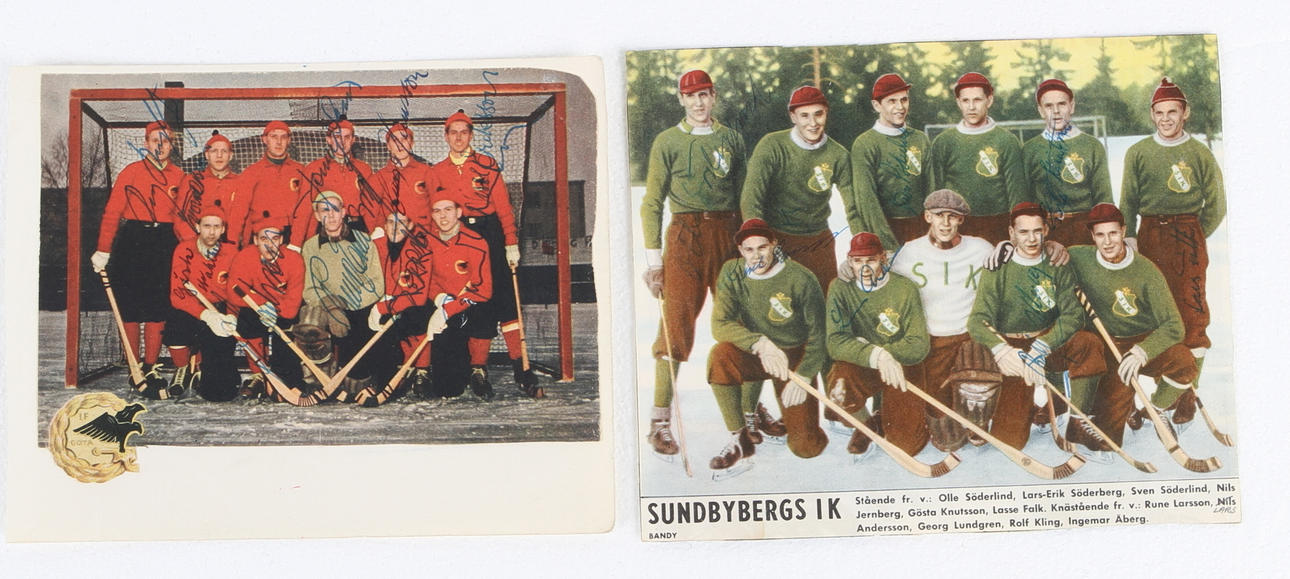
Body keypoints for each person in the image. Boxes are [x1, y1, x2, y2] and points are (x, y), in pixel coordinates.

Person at [639, 69, 784, 457]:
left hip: (727, 235)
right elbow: (652, 203)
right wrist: (654, 262)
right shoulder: (667, 141)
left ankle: (750, 413)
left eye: (704, 94)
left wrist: (756, 247)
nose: (699, 102)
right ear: (681, 100)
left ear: (714, 96)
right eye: (691, 96)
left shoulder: (730, 139)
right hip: (684, 238)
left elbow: (745, 197)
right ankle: (659, 423)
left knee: (746, 321)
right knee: (674, 327)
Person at [1119, 77, 1226, 428]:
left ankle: (1182, 396)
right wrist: (1130, 237)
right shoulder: (1138, 152)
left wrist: (1194, 235)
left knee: (1192, 316)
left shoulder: (1199, 153)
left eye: (1173, 112)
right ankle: (1158, 386)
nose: (1166, 119)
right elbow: (1127, 200)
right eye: (1160, 112)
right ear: (1152, 115)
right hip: (1150, 235)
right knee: (1152, 314)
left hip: (1187, 235)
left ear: (1185, 113)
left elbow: (1217, 203)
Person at [966, 202, 1105, 450]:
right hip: (1014, 349)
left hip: (1047, 342)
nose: (1031, 239)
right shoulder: (998, 267)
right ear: (1011, 233)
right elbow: (977, 320)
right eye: (1023, 232)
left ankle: (1076, 419)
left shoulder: (1056, 263)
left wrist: (1042, 346)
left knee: (1088, 343)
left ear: (1046, 231)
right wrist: (1003, 351)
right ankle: (1025, 406)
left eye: (1037, 231)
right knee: (1010, 441)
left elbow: (1073, 315)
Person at [1067, 203, 1198, 452]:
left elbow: (1174, 325)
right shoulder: (1079, 257)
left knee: (1184, 361)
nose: (1108, 242)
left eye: (1113, 233)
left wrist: (1142, 352)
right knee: (1107, 441)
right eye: (1100, 235)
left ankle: (1155, 410)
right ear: (1092, 236)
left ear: (1123, 231)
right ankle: (1122, 407)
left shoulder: (1146, 271)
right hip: (1109, 347)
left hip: (1141, 342)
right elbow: (1043, 255)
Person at [706, 219, 830, 474]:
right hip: (760, 355)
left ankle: (798, 421)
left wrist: (804, 375)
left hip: (794, 358)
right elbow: (720, 324)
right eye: (749, 249)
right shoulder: (732, 272)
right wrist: (760, 344)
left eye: (762, 247)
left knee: (807, 448)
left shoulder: (800, 278)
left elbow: (820, 336)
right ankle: (740, 439)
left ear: (774, 245)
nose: (756, 256)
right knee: (720, 356)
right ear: (741, 250)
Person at [430, 109, 539, 397]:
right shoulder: (437, 171)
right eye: (453, 132)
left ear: (471, 135)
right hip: (458, 235)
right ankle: (477, 368)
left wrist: (510, 242)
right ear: (445, 136)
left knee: (504, 299)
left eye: (464, 132)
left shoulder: (487, 164)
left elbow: (502, 205)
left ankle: (521, 366)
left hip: (489, 233)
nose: (458, 138)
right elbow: (433, 212)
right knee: (475, 299)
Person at [889, 189, 995, 451]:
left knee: (978, 368)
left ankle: (978, 415)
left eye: (952, 216)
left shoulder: (981, 248)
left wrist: (1007, 246)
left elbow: (1007, 273)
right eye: (939, 216)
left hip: (970, 335)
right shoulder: (910, 252)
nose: (946, 223)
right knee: (947, 438)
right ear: (928, 217)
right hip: (932, 340)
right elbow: (885, 287)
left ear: (961, 219)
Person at [90, 120, 187, 397]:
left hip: (164, 242)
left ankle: (150, 366)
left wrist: (189, 250)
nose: (160, 145)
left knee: (158, 307)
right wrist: (103, 249)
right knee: (130, 307)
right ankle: (134, 368)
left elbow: (183, 219)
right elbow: (112, 213)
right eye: (155, 140)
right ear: (146, 143)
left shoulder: (180, 176)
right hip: (133, 240)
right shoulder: (131, 172)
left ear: (172, 145)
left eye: (166, 141)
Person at [742, 85, 870, 288]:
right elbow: (751, 199)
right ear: (793, 117)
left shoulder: (838, 155)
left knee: (825, 298)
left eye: (818, 114)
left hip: (817, 240)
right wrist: (760, 242)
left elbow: (853, 208)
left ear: (826, 113)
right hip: (776, 237)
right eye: (804, 115)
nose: (813, 123)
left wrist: (865, 246)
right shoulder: (772, 145)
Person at [825, 232, 930, 457]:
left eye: (871, 260)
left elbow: (918, 344)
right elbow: (835, 341)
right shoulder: (840, 287)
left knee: (907, 446)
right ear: (849, 261)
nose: (864, 268)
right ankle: (868, 425)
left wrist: (888, 354)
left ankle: (889, 415)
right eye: (857, 261)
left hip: (902, 366)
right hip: (866, 364)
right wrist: (878, 355)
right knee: (840, 384)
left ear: (882, 258)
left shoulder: (905, 288)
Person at [299, 190, 385, 399]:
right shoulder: (310, 246)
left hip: (357, 305)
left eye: (336, 209)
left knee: (355, 377)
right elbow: (310, 287)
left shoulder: (364, 241)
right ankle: (318, 381)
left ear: (344, 212)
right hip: (327, 307)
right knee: (309, 320)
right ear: (317, 215)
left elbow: (376, 284)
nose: (331, 215)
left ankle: (354, 381)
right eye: (324, 210)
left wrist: (346, 304)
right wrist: (331, 306)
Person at [929, 73, 1029, 242]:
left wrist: (1017, 232)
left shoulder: (1007, 140)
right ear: (958, 102)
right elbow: (935, 191)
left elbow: (1017, 194)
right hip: (956, 226)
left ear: (989, 100)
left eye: (977, 100)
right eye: (965, 101)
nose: (971, 107)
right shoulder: (943, 141)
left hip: (997, 224)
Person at [1021, 78, 1113, 247]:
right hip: (1046, 230)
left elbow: (1104, 198)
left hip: (1085, 228)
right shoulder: (1030, 149)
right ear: (1041, 111)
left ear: (1072, 106)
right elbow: (1024, 199)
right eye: (1049, 106)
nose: (1056, 111)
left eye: (1062, 104)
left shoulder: (1092, 145)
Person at [423, 188, 494, 400]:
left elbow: (484, 288)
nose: (443, 216)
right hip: (441, 306)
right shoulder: (426, 242)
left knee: (486, 309)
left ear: (459, 212)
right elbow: (425, 278)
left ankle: (478, 367)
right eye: (437, 211)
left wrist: (451, 308)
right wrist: (438, 298)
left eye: (448, 209)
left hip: (467, 306)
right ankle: (428, 370)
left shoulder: (476, 242)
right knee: (447, 389)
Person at [165, 203, 240, 401]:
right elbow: (177, 294)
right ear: (198, 227)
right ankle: (183, 368)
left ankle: (205, 368)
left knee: (219, 394)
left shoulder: (232, 252)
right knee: (175, 323)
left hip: (220, 310)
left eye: (217, 226)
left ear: (223, 229)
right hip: (193, 309)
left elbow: (236, 290)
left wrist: (231, 315)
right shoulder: (184, 249)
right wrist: (205, 315)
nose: (211, 232)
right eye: (207, 226)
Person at [228, 210, 306, 398]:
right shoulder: (245, 256)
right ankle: (258, 375)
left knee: (287, 328)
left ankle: (283, 376)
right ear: (255, 240)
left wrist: (275, 311)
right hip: (257, 309)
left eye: (275, 238)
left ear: (281, 240)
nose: (270, 244)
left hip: (284, 312)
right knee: (246, 319)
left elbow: (293, 303)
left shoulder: (294, 259)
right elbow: (233, 292)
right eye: (264, 239)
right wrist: (262, 304)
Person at [850, 73, 930, 246]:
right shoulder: (865, 143)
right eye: (892, 101)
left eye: (904, 100)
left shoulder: (920, 139)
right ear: (877, 105)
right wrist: (885, 242)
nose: (900, 107)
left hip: (921, 230)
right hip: (885, 229)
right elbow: (867, 200)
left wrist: (932, 233)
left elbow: (931, 188)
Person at [369, 210, 436, 400]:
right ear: (384, 226)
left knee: (417, 312)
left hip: (411, 303)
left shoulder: (420, 248)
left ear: (411, 225)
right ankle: (394, 369)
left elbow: (418, 296)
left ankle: (422, 369)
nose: (396, 227)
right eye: (391, 222)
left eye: (402, 222)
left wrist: (384, 306)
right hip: (387, 302)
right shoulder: (376, 246)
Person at [240, 121, 313, 250]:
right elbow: (241, 213)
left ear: (289, 140)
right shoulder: (251, 172)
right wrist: (243, 245)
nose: (279, 142)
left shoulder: (301, 171)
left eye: (283, 137)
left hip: (291, 237)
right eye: (274, 137)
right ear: (264, 139)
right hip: (261, 236)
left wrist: (299, 243)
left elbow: (306, 212)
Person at [303, 118, 378, 234]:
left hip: (356, 228)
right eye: (337, 137)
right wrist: (308, 238)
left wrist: (373, 233)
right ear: (328, 140)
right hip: (327, 227)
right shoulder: (314, 168)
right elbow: (307, 209)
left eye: (347, 137)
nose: (342, 142)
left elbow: (370, 207)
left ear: (353, 140)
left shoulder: (364, 169)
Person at [177, 131, 250, 245]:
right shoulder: (192, 180)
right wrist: (193, 244)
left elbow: (246, 220)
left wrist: (234, 246)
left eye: (224, 151)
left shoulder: (241, 183)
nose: (219, 155)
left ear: (231, 156)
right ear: (207, 155)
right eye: (214, 151)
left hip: (229, 244)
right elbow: (180, 217)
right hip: (197, 242)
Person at [372, 122, 436, 234]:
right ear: (388, 146)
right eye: (394, 140)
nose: (399, 144)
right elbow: (374, 216)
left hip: (423, 237)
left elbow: (437, 207)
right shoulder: (378, 178)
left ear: (412, 143)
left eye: (404, 139)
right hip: (393, 238)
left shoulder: (427, 172)